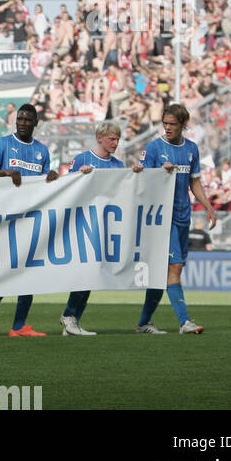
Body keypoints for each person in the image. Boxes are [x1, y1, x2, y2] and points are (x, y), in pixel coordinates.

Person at [0, 103, 60, 337]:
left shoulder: (42, 151)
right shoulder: (3, 144)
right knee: (15, 270)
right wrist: (5, 173)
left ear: (36, 123)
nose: (22, 123)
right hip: (7, 217)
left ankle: (15, 324)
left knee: (28, 270)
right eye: (19, 119)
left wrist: (51, 177)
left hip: (32, 218)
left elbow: (44, 187)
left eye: (27, 120)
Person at [136, 104, 216, 335]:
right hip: (162, 218)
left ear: (183, 125)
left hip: (183, 215)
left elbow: (195, 182)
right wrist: (159, 172)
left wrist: (208, 206)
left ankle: (143, 323)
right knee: (175, 266)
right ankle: (184, 322)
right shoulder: (153, 148)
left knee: (163, 273)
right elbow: (140, 180)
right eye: (165, 123)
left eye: (173, 124)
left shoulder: (191, 149)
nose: (168, 128)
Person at [60, 122, 143, 336]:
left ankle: (73, 322)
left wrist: (136, 175)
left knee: (94, 274)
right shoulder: (83, 159)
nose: (115, 143)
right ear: (100, 137)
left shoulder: (117, 165)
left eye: (117, 139)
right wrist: (78, 175)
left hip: (106, 227)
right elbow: (65, 188)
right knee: (87, 272)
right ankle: (69, 315)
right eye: (111, 139)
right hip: (84, 224)